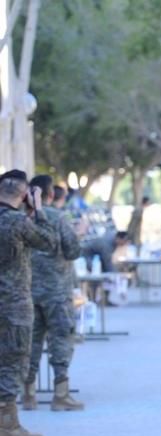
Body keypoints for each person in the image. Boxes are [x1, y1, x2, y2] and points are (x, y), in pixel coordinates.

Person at [0, 170, 57, 436]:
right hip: (14, 306)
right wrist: (39, 209)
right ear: (24, 195)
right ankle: (8, 426)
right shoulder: (18, 223)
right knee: (14, 362)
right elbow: (50, 242)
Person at [22, 175, 84, 412]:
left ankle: (28, 394)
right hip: (57, 291)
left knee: (30, 341)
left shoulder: (18, 218)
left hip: (26, 291)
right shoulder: (58, 218)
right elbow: (73, 251)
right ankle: (61, 394)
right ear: (50, 195)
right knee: (61, 339)